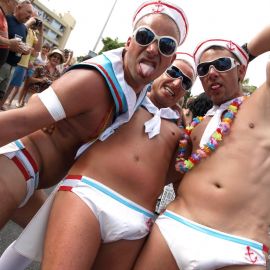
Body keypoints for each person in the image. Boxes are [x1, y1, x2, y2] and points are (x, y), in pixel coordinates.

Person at [0, 0, 188, 230]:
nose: (152, 49)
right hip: (16, 165)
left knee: (53, 240)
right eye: (145, 36)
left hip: (34, 180)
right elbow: (21, 121)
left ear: (170, 59)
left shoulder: (134, 94)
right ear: (129, 43)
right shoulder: (94, 82)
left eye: (166, 46)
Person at [0, 50, 196, 270]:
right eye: (174, 72)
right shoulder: (122, 97)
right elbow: (52, 103)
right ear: (161, 70)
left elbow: (170, 175)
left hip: (134, 217)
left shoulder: (180, 132)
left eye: (187, 82)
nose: (178, 82)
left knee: (35, 239)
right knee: (29, 243)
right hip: (72, 188)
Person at [133, 38, 270, 269]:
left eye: (222, 64)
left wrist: (245, 52)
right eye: (204, 69)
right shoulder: (193, 127)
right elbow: (167, 175)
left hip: (239, 244)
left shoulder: (261, 105)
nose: (212, 72)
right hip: (174, 228)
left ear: (242, 70)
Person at [3, 15, 44, 109]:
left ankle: (2, 104)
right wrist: (30, 22)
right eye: (34, 18)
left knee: (11, 87)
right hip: (13, 61)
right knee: (4, 85)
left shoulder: (33, 33)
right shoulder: (21, 26)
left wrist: (41, 32)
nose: (35, 21)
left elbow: (37, 49)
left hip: (24, 65)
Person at [0, 0, 33, 107]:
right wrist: (10, 44)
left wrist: (25, 50)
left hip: (12, 67)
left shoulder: (24, 28)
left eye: (31, 13)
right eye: (28, 12)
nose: (30, 16)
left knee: (1, 95)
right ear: (18, 7)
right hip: (2, 64)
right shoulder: (7, 18)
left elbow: (19, 45)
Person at [15, 42, 50, 108]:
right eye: (44, 47)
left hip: (38, 76)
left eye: (47, 48)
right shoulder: (37, 54)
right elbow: (31, 62)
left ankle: (23, 102)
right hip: (31, 71)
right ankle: (18, 101)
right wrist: (38, 65)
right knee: (25, 87)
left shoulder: (46, 58)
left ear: (48, 50)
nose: (45, 49)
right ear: (42, 48)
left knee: (29, 89)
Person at [0, 0, 23, 67]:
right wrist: (10, 42)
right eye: (16, 4)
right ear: (8, 1)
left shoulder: (3, 15)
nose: (17, 7)